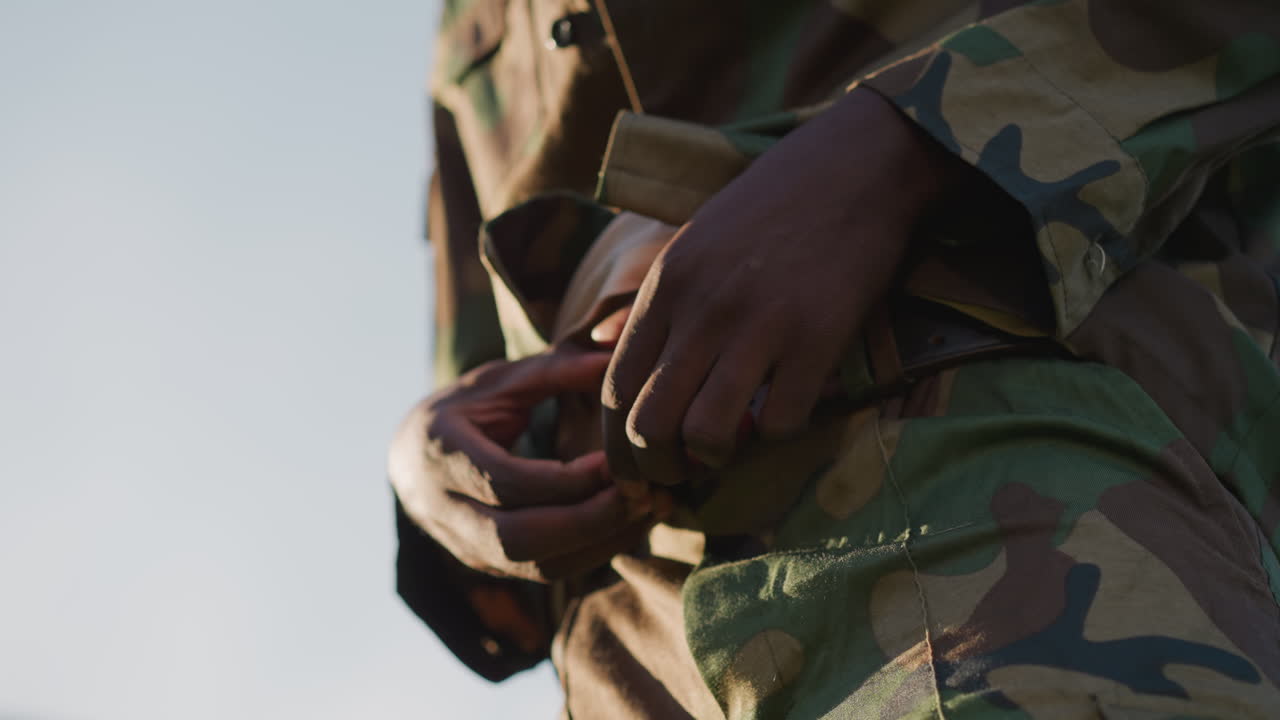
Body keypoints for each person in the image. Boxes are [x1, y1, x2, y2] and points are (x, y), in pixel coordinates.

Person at [389, 1, 1280, 716]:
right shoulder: (457, 32)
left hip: (998, 472)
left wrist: (912, 147)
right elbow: (478, 353)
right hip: (626, 642)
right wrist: (422, 470)